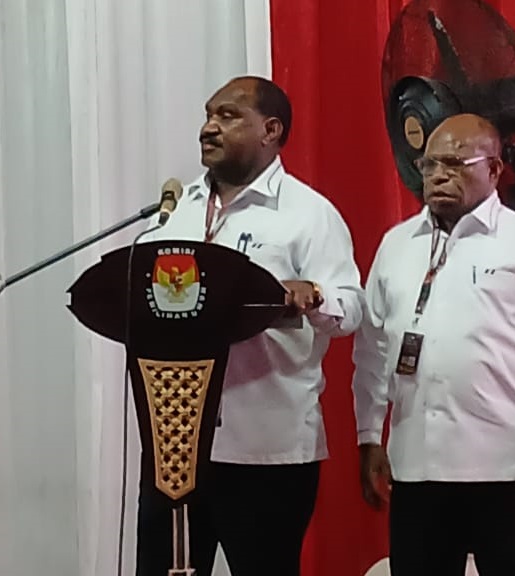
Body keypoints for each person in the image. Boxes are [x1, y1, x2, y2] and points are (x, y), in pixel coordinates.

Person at [136, 76, 364, 576]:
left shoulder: (308, 214)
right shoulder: (175, 214)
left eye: (227, 116)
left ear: (270, 130)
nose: (208, 128)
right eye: (208, 115)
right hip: (176, 448)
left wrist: (313, 295)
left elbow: (351, 310)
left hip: (268, 452)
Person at [352, 113, 515, 576]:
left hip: (508, 468)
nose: (438, 176)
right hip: (417, 467)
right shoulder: (397, 245)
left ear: (495, 170)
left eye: (455, 164)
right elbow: (372, 348)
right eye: (429, 165)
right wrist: (368, 436)